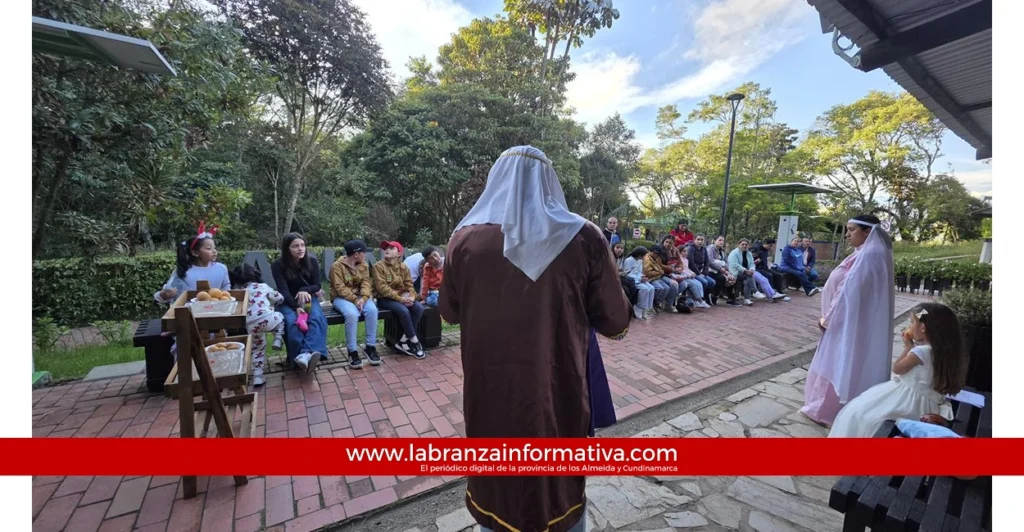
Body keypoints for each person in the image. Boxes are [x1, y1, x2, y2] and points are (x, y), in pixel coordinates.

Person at [439, 146, 630, 532]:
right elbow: (615, 320)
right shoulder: (585, 236)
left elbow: (449, 311)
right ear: (550, 182)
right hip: (556, 384)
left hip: (491, 388)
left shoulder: (464, 241)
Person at [801, 214, 895, 426]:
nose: (847, 234)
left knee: (838, 363)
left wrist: (828, 318)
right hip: (852, 321)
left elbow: (847, 292)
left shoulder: (870, 255)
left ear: (867, 232)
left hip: (847, 322)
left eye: (852, 230)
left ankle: (826, 411)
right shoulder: (867, 253)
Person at [829, 303, 966, 437]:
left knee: (859, 413)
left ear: (923, 327)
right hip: (929, 405)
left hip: (908, 402)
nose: (910, 327)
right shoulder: (945, 352)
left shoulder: (921, 352)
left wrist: (908, 347)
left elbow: (898, 368)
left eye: (912, 322)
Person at [271, 232, 328, 373]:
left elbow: (317, 285)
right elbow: (283, 290)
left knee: (316, 318)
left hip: (308, 298)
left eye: (302, 245)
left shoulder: (312, 261)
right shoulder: (278, 265)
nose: (300, 249)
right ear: (287, 249)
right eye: (295, 246)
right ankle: (297, 360)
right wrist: (296, 307)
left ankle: (305, 354)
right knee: (291, 322)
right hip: (286, 301)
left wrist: (305, 290)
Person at [229, 265, 284, 386]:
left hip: (251, 326)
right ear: (255, 274)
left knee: (258, 349)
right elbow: (279, 297)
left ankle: (258, 376)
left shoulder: (238, 293)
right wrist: (276, 302)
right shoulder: (262, 286)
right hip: (267, 319)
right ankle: (278, 338)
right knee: (280, 317)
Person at [330, 239, 380, 369]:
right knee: (352, 314)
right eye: (364, 252)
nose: (365, 255)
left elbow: (366, 283)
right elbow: (339, 288)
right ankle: (352, 352)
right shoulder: (337, 266)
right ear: (356, 254)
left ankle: (370, 347)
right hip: (341, 298)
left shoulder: (363, 264)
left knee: (373, 310)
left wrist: (363, 298)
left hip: (360, 297)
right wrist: (355, 300)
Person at [154, 223, 231, 305]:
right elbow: (165, 293)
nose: (214, 251)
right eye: (209, 248)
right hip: (189, 314)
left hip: (216, 311)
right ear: (195, 253)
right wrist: (163, 295)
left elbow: (226, 288)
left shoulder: (221, 268)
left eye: (214, 247)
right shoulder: (183, 271)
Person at [374, 240, 425, 359]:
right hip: (385, 299)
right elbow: (383, 289)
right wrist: (400, 299)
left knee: (418, 308)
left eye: (392, 248)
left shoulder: (403, 267)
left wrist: (412, 297)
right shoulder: (378, 266)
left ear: (399, 254)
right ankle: (414, 341)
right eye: (386, 248)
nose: (387, 249)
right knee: (404, 311)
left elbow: (409, 285)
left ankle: (402, 341)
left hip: (402, 297)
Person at [622, 246, 655, 319]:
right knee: (645, 289)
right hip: (632, 280)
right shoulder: (629, 260)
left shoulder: (640, 261)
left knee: (651, 288)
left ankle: (646, 310)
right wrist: (639, 279)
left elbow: (639, 272)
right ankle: (639, 308)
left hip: (639, 279)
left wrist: (643, 277)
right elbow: (627, 273)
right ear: (639, 255)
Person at [707, 235, 741, 307]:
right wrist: (720, 269)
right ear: (714, 240)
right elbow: (710, 262)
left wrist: (728, 272)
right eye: (719, 240)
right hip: (710, 271)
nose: (721, 242)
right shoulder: (710, 249)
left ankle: (731, 299)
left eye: (723, 240)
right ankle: (714, 297)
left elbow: (726, 262)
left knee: (733, 277)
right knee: (721, 278)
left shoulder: (722, 251)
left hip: (721, 271)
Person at [645, 245, 679, 312]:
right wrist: (659, 272)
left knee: (667, 288)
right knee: (660, 288)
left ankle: (657, 302)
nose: (657, 256)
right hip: (651, 278)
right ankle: (653, 301)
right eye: (656, 254)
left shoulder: (656, 259)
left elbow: (660, 267)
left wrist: (660, 271)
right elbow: (647, 272)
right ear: (652, 252)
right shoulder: (647, 259)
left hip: (658, 277)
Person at [686, 234, 718, 305]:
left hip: (701, 272)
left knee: (712, 282)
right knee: (704, 282)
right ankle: (696, 299)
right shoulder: (690, 248)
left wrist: (704, 272)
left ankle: (702, 298)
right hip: (692, 271)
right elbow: (691, 262)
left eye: (702, 240)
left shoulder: (703, 249)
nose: (700, 241)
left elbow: (707, 262)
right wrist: (698, 273)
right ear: (694, 239)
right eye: (698, 239)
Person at [728, 239, 759, 306]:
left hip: (744, 272)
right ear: (738, 245)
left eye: (746, 244)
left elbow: (751, 263)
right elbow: (735, 264)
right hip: (734, 271)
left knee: (749, 277)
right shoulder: (734, 253)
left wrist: (751, 269)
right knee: (749, 276)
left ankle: (747, 299)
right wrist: (745, 270)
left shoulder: (749, 253)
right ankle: (754, 292)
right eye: (742, 244)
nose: (744, 246)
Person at [612, 241, 638, 309]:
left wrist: (621, 271)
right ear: (613, 248)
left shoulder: (620, 258)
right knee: (626, 290)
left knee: (632, 283)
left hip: (619, 277)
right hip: (612, 279)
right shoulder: (610, 257)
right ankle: (626, 307)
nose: (620, 250)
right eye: (617, 247)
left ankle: (632, 306)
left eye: (621, 248)